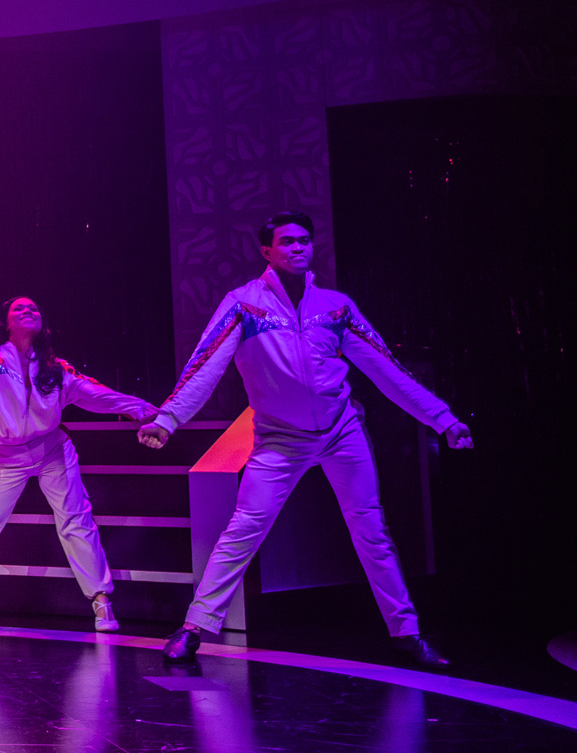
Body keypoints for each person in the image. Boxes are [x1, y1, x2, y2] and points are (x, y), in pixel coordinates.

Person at [140, 211, 474, 667]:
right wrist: (169, 419)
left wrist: (442, 419)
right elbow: (207, 363)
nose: (298, 248)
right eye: (287, 242)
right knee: (243, 529)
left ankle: (407, 633)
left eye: (305, 241)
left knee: (372, 530)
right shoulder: (244, 305)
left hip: (341, 432)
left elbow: (386, 368)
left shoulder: (334, 306)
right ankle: (194, 627)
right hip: (280, 439)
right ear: (267, 252)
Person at [0, 296, 159, 632]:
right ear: (4, 323)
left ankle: (101, 600)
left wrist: (141, 408)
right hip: (5, 456)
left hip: (53, 449)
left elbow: (94, 393)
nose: (28, 311)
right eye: (19, 309)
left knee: (76, 519)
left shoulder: (54, 366)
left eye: (34, 308)